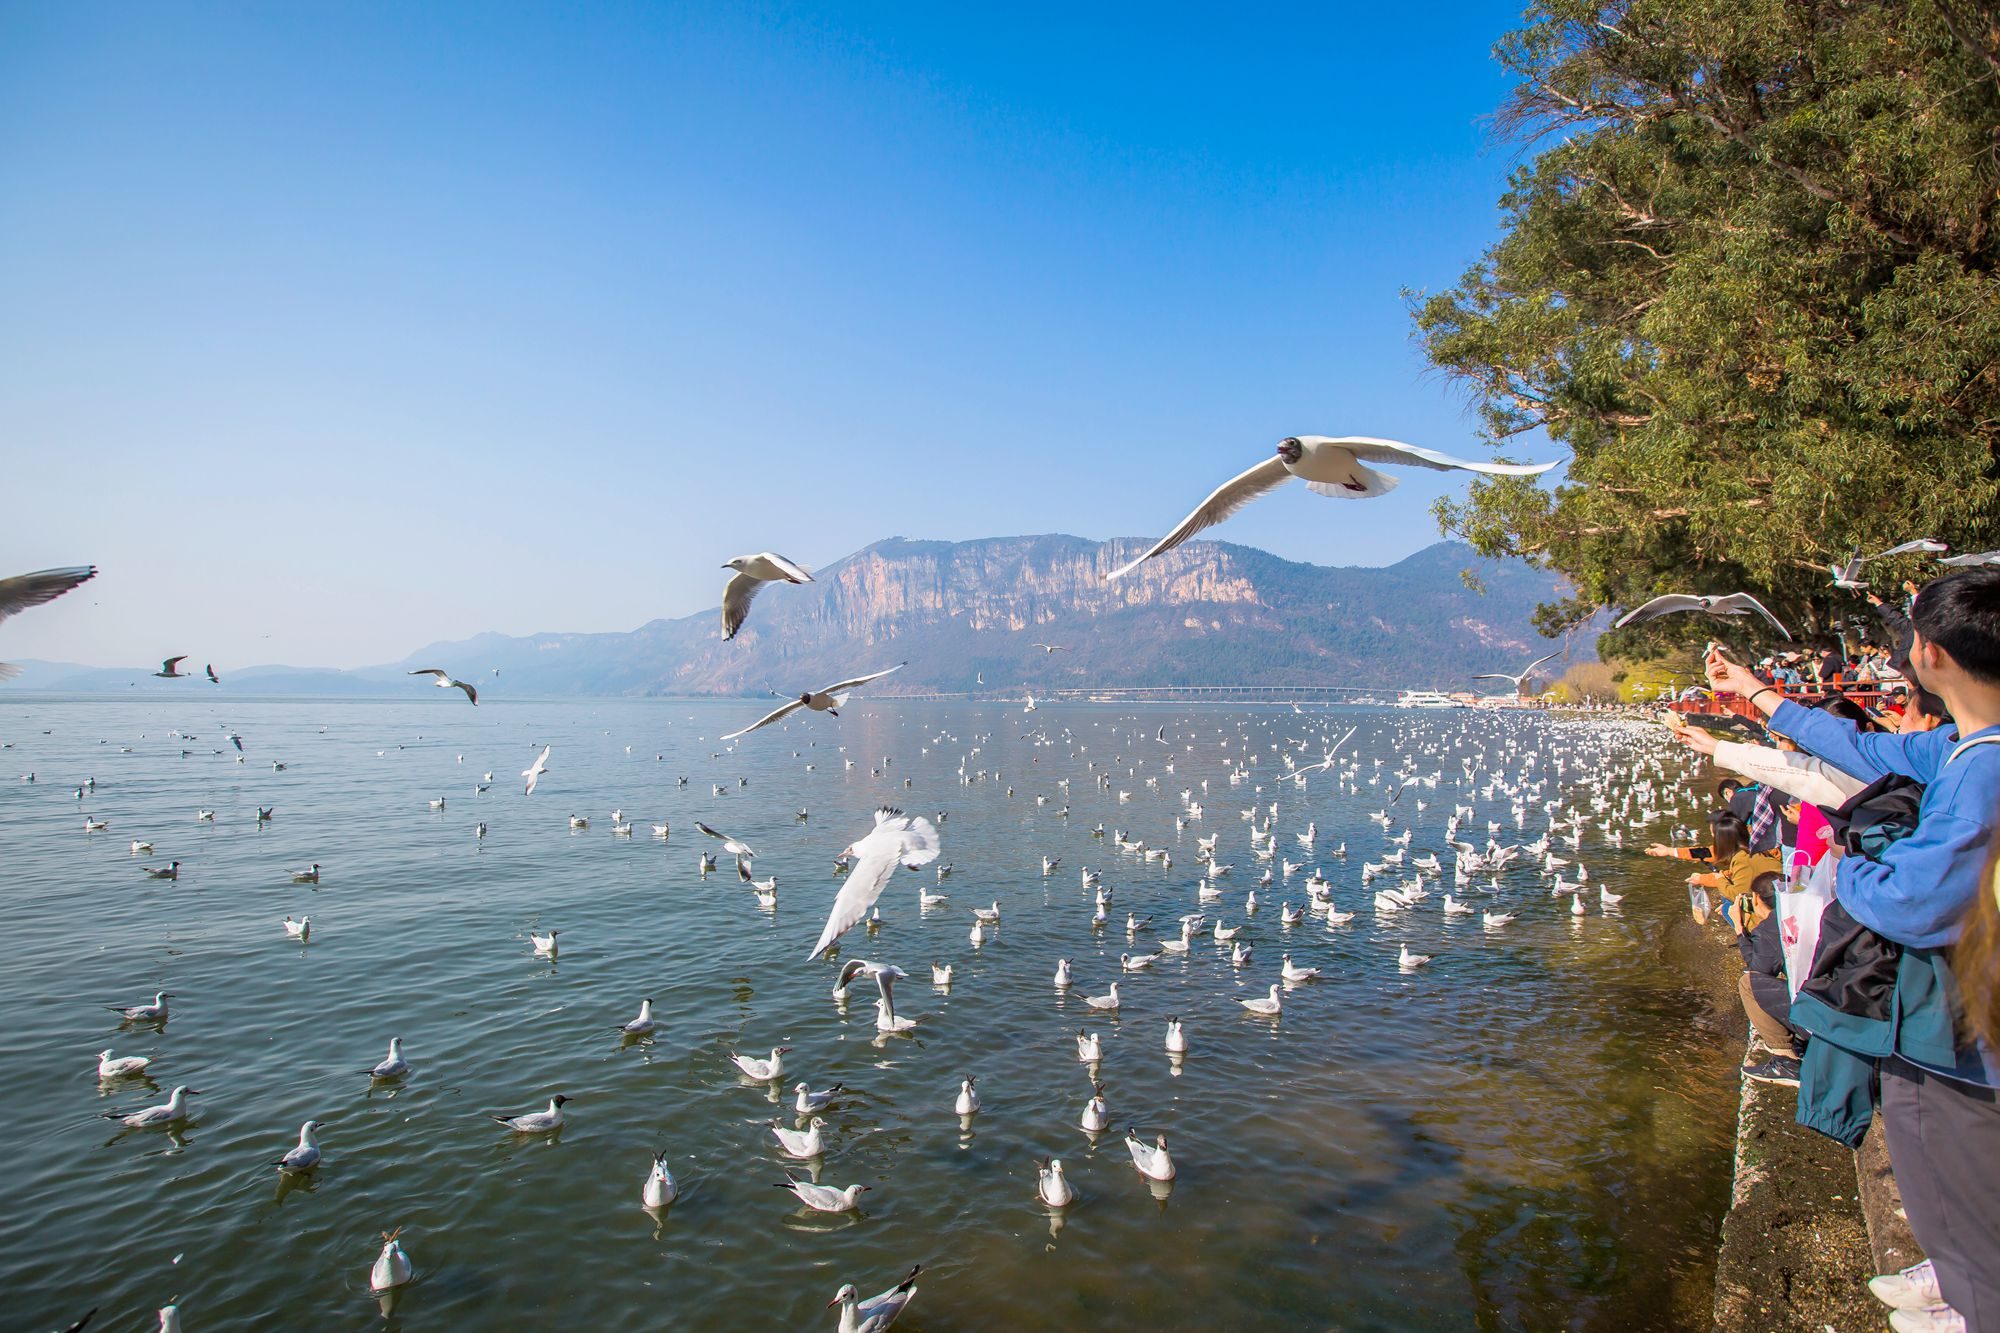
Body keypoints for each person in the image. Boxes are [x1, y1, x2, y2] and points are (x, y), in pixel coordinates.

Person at [1707, 566, 2000, 1333]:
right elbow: (1860, 748)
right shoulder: (1965, 744)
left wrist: (1839, 866)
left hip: (1968, 1026)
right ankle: (1956, 1274)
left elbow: (1913, 900)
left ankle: (1977, 1300)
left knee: (1959, 1169)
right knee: (1925, 1152)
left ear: (1931, 654)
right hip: (1942, 1017)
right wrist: (1756, 692)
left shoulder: (1985, 768)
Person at [1733, 869, 1803, 1082]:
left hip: (1815, 1013)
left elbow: (1757, 972)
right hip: (1840, 1000)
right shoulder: (1805, 911)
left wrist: (1740, 929)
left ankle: (1786, 1062)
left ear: (1756, 899)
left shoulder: (1770, 928)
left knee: (1747, 985)